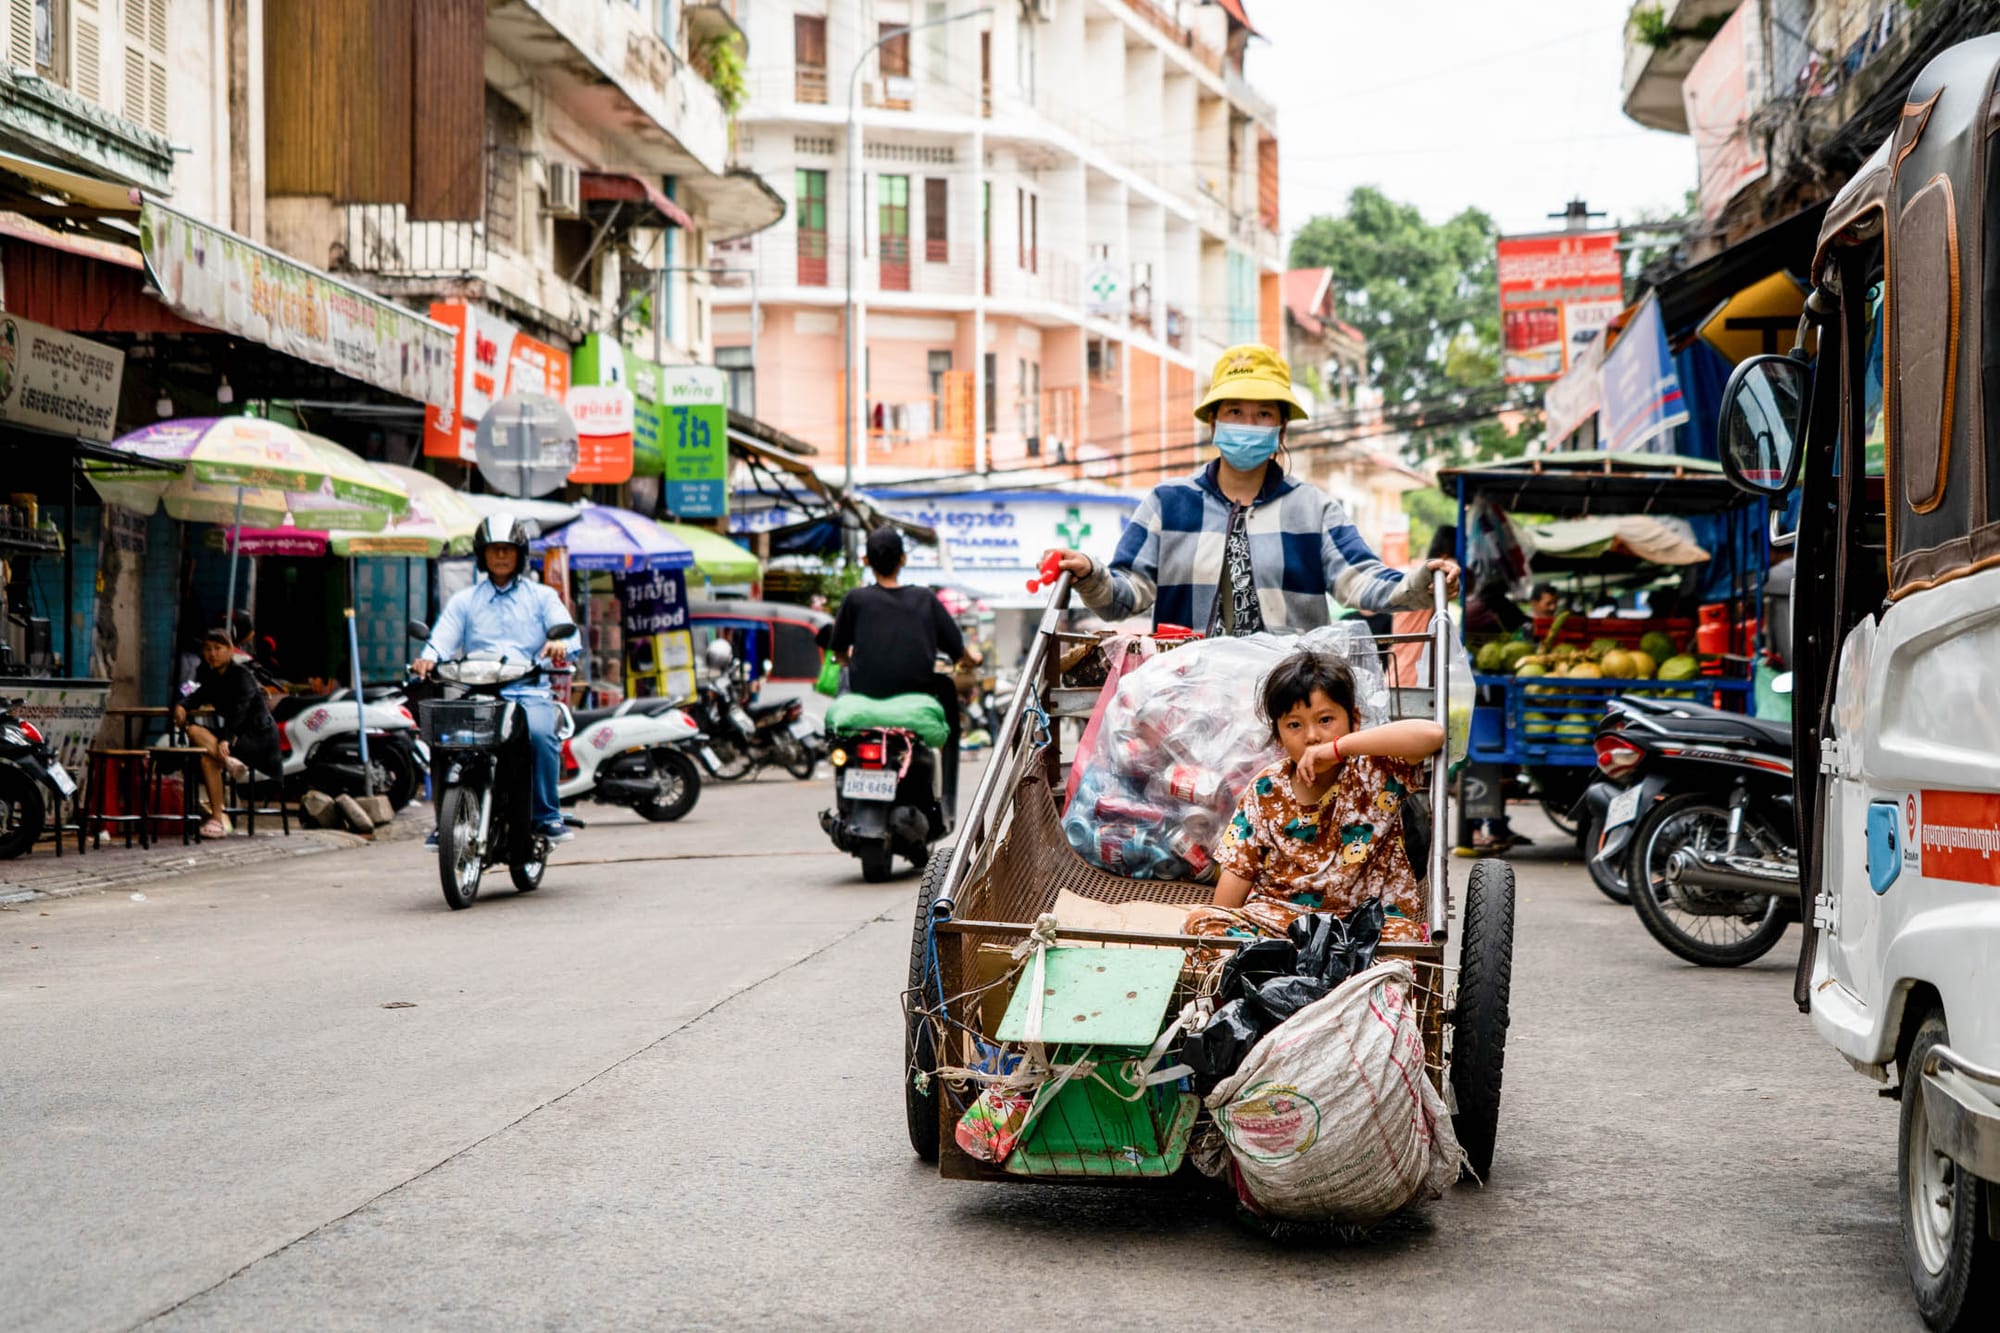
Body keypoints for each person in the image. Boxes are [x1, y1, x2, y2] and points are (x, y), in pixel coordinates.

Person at [1040, 343, 1457, 635]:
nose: (1248, 423)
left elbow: (1361, 579)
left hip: (1288, 702)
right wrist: (1090, 573)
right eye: (1235, 411)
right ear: (1214, 422)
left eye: (1262, 414)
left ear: (1280, 428)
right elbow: (1124, 596)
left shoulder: (1312, 508)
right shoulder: (1168, 504)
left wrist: (1423, 580)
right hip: (1189, 695)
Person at [1184, 650, 1443, 945]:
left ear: (1353, 721)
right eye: (1295, 725)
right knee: (1201, 922)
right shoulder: (1267, 788)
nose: (1312, 736)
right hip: (1281, 924)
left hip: (1362, 927)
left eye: (1325, 720)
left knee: (1405, 937)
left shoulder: (1376, 769)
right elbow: (1239, 870)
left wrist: (1338, 748)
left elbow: (1432, 734)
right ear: (1279, 737)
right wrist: (1218, 932)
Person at [412, 514, 574, 845]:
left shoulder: (542, 597)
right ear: (482, 554)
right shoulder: (464, 600)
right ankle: (446, 820)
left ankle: (546, 816)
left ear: (520, 554)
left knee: (541, 737)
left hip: (528, 694)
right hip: (478, 694)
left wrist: (560, 644)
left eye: (507, 549)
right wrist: (428, 657)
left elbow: (569, 636)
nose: (500, 556)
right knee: (443, 738)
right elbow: (442, 638)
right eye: (493, 549)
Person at [828, 526, 982, 814]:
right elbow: (957, 649)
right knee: (946, 719)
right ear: (903, 560)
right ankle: (943, 804)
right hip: (917, 695)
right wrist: (972, 660)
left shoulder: (854, 600)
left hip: (865, 695)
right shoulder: (924, 599)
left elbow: (838, 651)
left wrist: (851, 661)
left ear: (865, 561)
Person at [173, 626, 281, 839]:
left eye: (218, 648)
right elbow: (196, 696)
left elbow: (239, 713)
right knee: (197, 737)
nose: (212, 654)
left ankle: (217, 814)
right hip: (232, 739)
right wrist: (182, 705)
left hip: (258, 739)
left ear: (230, 650)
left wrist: (225, 739)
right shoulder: (213, 678)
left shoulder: (243, 676)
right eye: (208, 649)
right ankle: (218, 815)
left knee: (207, 755)